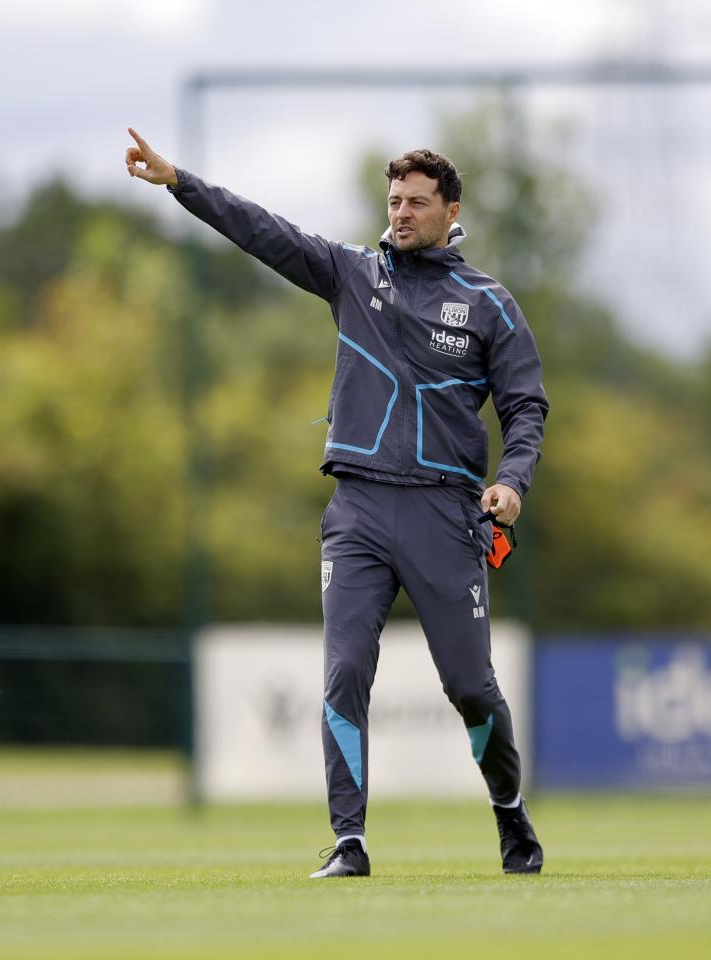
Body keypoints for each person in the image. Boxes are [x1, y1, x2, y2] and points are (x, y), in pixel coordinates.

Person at [124, 127, 549, 878]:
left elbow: (526, 408)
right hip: (357, 512)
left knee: (471, 688)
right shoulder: (351, 273)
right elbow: (262, 231)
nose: (402, 213)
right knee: (344, 672)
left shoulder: (490, 303)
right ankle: (349, 840)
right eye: (395, 201)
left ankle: (510, 814)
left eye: (418, 202)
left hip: (445, 514)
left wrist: (511, 482)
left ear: (452, 211)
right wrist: (178, 181)